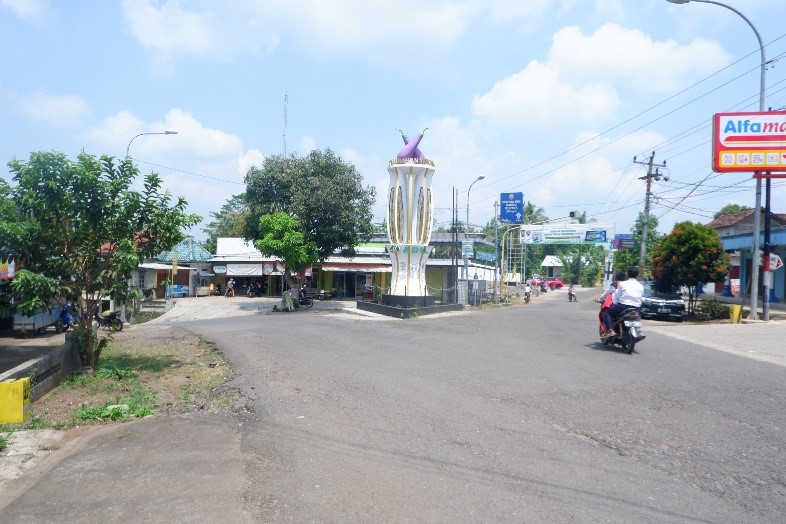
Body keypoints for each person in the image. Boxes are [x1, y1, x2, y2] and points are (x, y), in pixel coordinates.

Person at [603, 266, 644, 339]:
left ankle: (611, 331)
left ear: (628, 274)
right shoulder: (641, 286)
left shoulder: (623, 284)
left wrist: (615, 304)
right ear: (637, 275)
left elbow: (618, 297)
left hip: (623, 306)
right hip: (636, 307)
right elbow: (641, 297)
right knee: (637, 315)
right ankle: (637, 329)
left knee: (607, 313)